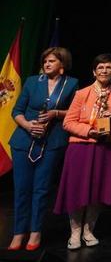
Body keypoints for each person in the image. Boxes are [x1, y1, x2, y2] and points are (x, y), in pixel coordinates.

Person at [8, 47, 78, 251]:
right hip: (23, 141)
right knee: (22, 189)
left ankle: (35, 232)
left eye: (52, 61)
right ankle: (18, 232)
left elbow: (74, 112)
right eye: (45, 61)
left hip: (52, 143)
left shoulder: (71, 84)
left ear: (62, 65)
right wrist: (28, 125)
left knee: (41, 189)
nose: (47, 64)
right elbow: (17, 111)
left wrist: (56, 113)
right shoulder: (32, 81)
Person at [54, 54, 111, 250]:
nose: (104, 70)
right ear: (94, 71)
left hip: (107, 149)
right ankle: (75, 232)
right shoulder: (82, 93)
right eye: (100, 67)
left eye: (108, 67)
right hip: (81, 147)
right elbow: (68, 122)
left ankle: (88, 230)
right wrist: (89, 132)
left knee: (98, 189)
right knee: (77, 189)